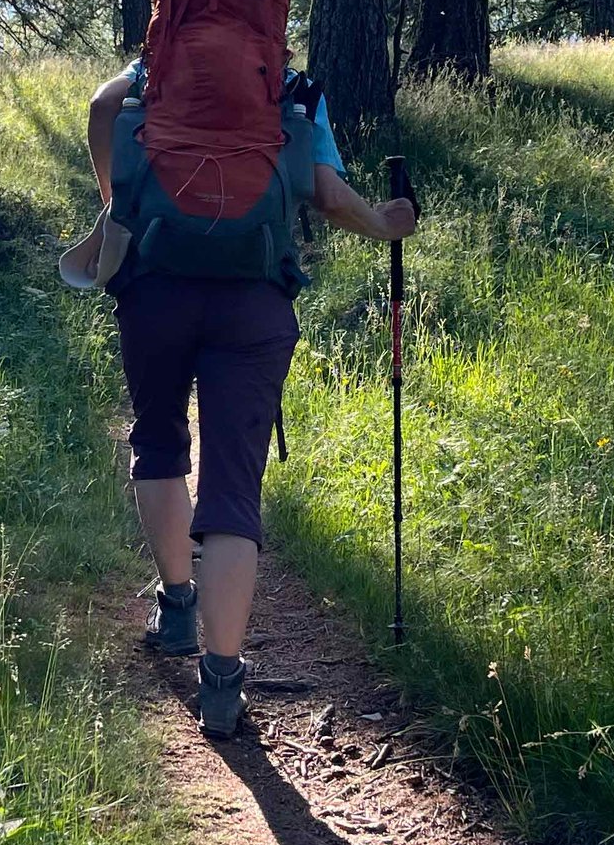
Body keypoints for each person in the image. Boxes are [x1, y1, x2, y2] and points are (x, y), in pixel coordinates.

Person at [86, 53, 414, 738]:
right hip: (254, 303)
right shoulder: (293, 89)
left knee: (157, 439)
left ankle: (176, 605)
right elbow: (325, 193)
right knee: (234, 481)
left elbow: (100, 109)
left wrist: (115, 205)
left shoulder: (156, 68)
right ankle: (222, 684)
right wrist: (386, 223)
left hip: (154, 285)